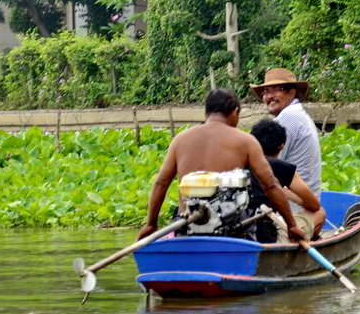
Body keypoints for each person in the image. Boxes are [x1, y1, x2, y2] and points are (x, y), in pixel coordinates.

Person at [135, 89, 307, 243]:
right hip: (232, 231)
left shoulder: (180, 140)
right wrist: (291, 225)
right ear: (235, 112)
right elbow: (270, 185)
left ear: (207, 113)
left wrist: (151, 224)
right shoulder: (246, 141)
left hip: (188, 226)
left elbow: (161, 183)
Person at [249, 119, 326, 242]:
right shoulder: (281, 167)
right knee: (320, 213)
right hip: (268, 238)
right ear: (281, 147)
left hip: (242, 233)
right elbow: (314, 205)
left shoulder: (239, 162)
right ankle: (302, 245)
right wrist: (288, 194)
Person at [250, 68, 322, 197]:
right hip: (304, 198)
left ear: (291, 93)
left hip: (296, 206)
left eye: (277, 90)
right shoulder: (297, 113)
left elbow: (267, 169)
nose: (269, 96)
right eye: (266, 92)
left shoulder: (288, 117)